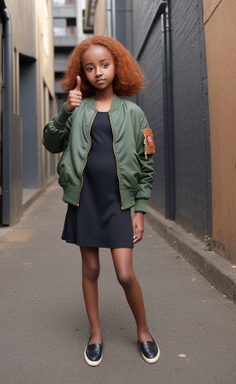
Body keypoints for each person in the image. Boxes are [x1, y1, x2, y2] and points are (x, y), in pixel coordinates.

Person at [43, 35, 160, 367]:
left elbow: (147, 162)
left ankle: (144, 331)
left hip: (121, 202)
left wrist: (140, 209)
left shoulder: (134, 113)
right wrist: (65, 112)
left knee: (124, 274)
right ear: (82, 72)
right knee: (91, 268)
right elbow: (50, 143)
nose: (98, 73)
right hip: (85, 200)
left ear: (117, 66)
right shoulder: (77, 109)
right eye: (90, 67)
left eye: (104, 65)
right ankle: (95, 334)